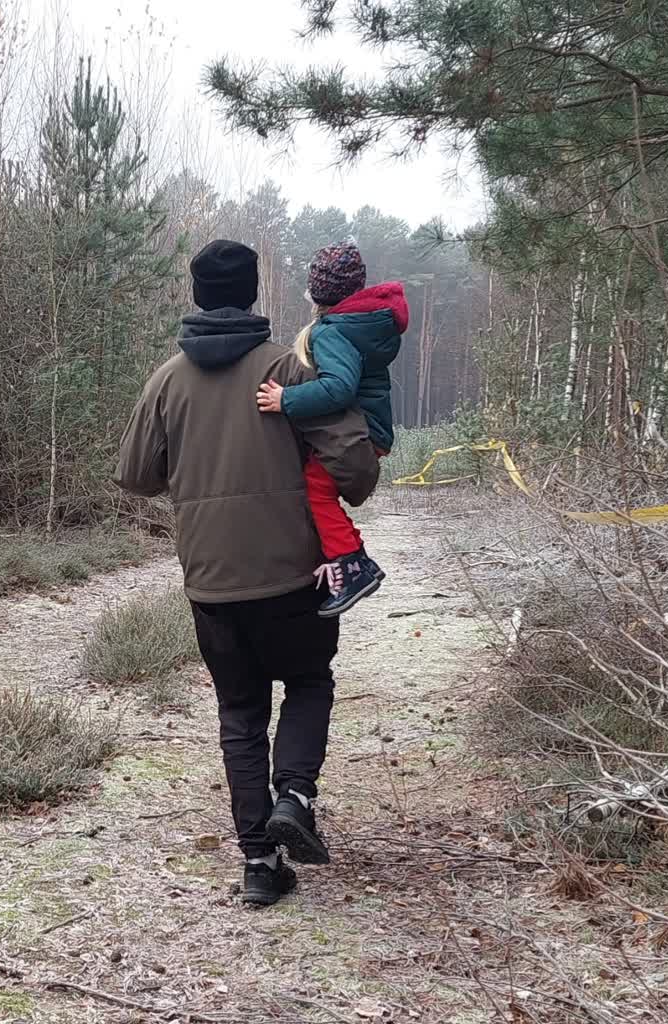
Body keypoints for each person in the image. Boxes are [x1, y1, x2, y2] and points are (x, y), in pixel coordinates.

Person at [114, 239, 380, 907]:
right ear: (252, 293)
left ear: (197, 295)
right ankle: (295, 795)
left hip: (210, 580)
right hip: (295, 576)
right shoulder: (291, 370)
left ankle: (259, 863)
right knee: (308, 681)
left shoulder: (166, 381)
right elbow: (355, 470)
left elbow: (135, 475)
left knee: (239, 712)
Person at [255, 241, 408, 616]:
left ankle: (353, 564)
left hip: (357, 432)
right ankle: (353, 559)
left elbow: (339, 388)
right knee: (319, 486)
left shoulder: (332, 331)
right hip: (369, 429)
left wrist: (286, 399)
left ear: (318, 292)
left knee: (316, 489)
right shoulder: (365, 323)